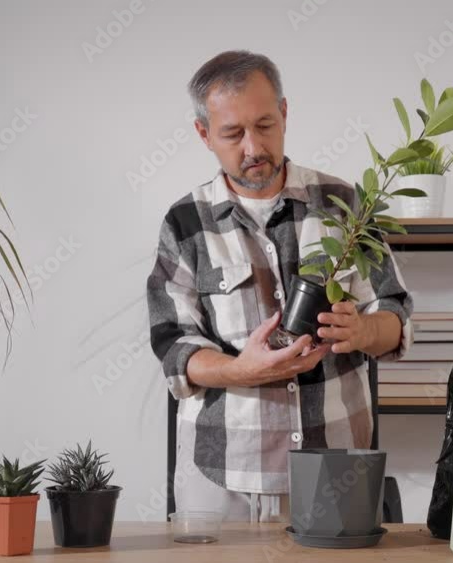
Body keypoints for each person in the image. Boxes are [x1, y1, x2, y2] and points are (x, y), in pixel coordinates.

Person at [146, 50, 413, 523]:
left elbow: (396, 316)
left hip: (336, 467)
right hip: (221, 476)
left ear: (285, 113)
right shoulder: (184, 222)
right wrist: (240, 371)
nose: (253, 147)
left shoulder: (344, 205)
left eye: (265, 125)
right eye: (233, 133)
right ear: (203, 134)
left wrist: (362, 331)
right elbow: (173, 343)